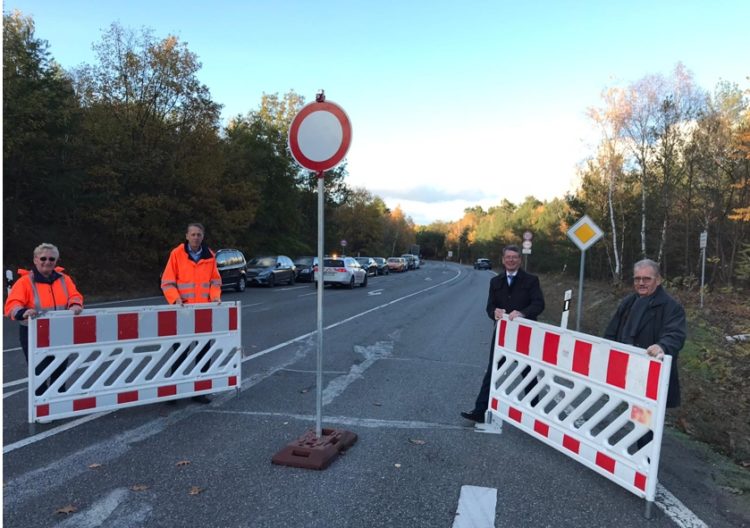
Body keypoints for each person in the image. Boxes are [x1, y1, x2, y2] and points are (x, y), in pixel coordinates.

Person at [604, 259, 685, 450]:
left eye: (647, 279)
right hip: (627, 370)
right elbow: (612, 330)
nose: (641, 283)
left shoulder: (671, 307)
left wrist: (662, 346)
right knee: (636, 416)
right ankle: (632, 458)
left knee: (645, 420)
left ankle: (644, 465)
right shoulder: (629, 301)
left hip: (650, 377)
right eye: (637, 278)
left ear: (658, 280)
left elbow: (676, 334)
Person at [461, 245, 546, 423]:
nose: (511, 260)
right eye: (508, 257)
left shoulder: (531, 280)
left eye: (515, 257)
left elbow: (539, 304)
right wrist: (495, 313)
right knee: (493, 370)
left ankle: (533, 413)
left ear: (520, 260)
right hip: (502, 334)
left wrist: (522, 313)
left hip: (525, 334)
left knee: (528, 372)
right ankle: (479, 410)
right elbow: (489, 307)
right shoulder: (496, 282)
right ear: (503, 259)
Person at [4, 243, 84, 395]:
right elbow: (12, 304)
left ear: (56, 261)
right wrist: (23, 311)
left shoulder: (64, 279)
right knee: (39, 370)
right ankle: (42, 407)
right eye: (43, 258)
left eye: (52, 259)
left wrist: (75, 304)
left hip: (60, 330)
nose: (47, 262)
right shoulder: (25, 282)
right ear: (35, 260)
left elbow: (75, 295)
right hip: (33, 332)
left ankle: (58, 401)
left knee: (60, 369)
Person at [161, 222, 222, 404]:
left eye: (199, 235)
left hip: (203, 311)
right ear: (186, 236)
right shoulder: (176, 254)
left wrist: (215, 297)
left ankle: (200, 391)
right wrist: (175, 299)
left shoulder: (210, 256)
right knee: (180, 351)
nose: (196, 237)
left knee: (203, 351)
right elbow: (167, 282)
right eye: (193, 234)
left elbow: (215, 282)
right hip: (183, 311)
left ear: (203, 237)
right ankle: (174, 391)